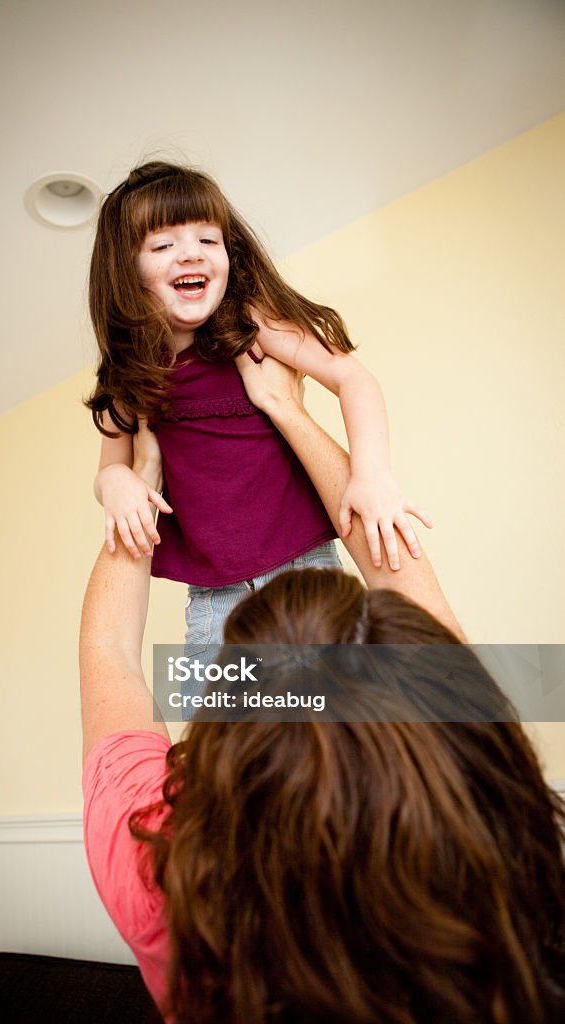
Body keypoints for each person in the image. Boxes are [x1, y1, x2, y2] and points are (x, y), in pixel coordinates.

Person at [80, 364, 565, 1023]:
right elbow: (399, 572)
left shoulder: (156, 872)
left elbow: (110, 651)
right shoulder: (495, 824)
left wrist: (145, 469)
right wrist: (290, 410)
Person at [85, 160, 434, 649]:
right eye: (163, 245)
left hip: (306, 574)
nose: (192, 255)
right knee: (219, 721)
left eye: (209, 240)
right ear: (127, 272)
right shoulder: (127, 377)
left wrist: (371, 475)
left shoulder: (251, 325)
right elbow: (107, 472)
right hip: (213, 602)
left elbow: (353, 377)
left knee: (338, 716)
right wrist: (117, 483)